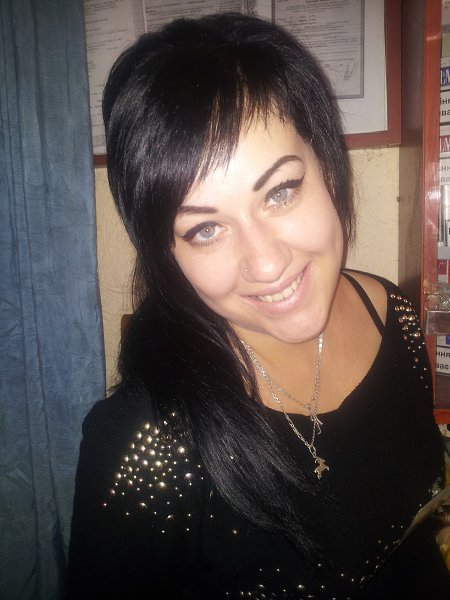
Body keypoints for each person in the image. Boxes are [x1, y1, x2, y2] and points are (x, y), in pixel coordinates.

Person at [66, 12, 450, 599]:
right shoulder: (145, 442)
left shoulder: (392, 313)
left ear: (328, 167)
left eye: (280, 191)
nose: (267, 264)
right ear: (167, 253)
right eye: (205, 230)